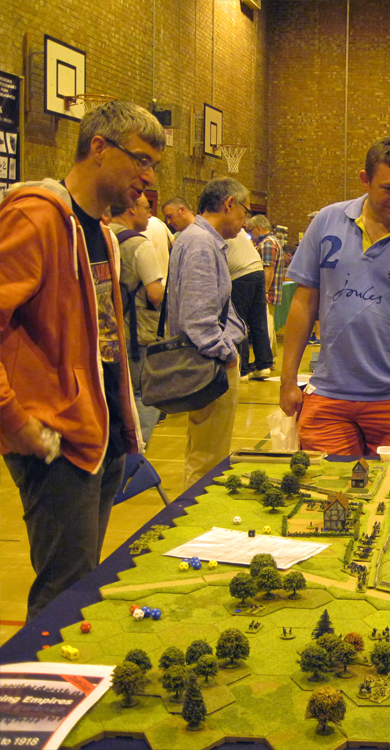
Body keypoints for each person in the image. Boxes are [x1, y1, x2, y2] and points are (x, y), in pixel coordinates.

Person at [0, 100, 165, 619]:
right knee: (62, 599)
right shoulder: (36, 216)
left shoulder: (101, 234)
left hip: (101, 436)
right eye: (141, 160)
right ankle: (34, 675)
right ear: (98, 147)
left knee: (81, 589)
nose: (148, 178)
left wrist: (124, 428)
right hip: (55, 440)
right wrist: (15, 421)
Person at [279, 136, 390, 456]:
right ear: (365, 180)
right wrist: (287, 379)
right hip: (328, 394)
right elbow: (303, 302)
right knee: (326, 483)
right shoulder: (326, 222)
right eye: (388, 188)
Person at [167, 178, 248, 489]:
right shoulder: (201, 243)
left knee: (202, 451)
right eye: (244, 210)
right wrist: (226, 355)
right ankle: (195, 513)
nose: (245, 221)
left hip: (205, 362)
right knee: (208, 461)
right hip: (209, 364)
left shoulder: (197, 239)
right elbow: (198, 319)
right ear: (229, 204)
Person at [109, 193, 165, 443]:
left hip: (105, 331)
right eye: (146, 207)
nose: (149, 214)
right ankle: (136, 452)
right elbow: (155, 294)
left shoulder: (100, 235)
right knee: (145, 393)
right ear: (131, 209)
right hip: (137, 333)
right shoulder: (139, 244)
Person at [227, 226, 273, 381]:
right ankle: (264, 366)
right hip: (257, 271)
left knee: (238, 322)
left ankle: (242, 370)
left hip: (239, 276)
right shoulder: (237, 229)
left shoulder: (215, 228)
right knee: (258, 321)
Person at [247, 214, 285, 356]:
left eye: (250, 230)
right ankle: (270, 357)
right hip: (269, 291)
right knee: (269, 324)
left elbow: (268, 270)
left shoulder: (267, 243)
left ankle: (265, 359)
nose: (250, 234)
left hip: (267, 293)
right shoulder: (271, 241)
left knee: (265, 326)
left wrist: (263, 293)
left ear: (258, 228)